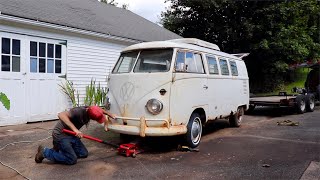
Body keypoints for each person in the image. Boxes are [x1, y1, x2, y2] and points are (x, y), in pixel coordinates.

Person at [35, 106, 114, 165]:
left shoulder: (90, 109)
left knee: (84, 154)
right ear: (91, 117)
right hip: (61, 135)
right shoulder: (78, 112)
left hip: (71, 134)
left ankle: (63, 151)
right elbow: (61, 114)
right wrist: (75, 129)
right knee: (72, 159)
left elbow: (98, 109)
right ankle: (45, 152)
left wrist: (109, 113)